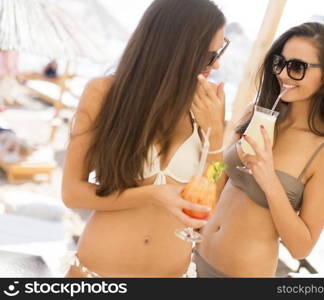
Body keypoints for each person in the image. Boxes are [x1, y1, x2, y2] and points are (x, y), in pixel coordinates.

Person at [62, 0, 228, 277]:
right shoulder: (104, 93)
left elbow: (210, 197)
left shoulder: (209, 101)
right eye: (209, 55)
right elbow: (72, 193)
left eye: (219, 51)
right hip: (97, 273)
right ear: (176, 49)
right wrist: (153, 194)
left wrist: (217, 133)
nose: (218, 64)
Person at [195, 22, 324, 277]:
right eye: (280, 62)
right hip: (194, 256)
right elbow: (218, 176)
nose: (284, 74)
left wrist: (269, 181)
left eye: (297, 67)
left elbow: (301, 247)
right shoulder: (256, 114)